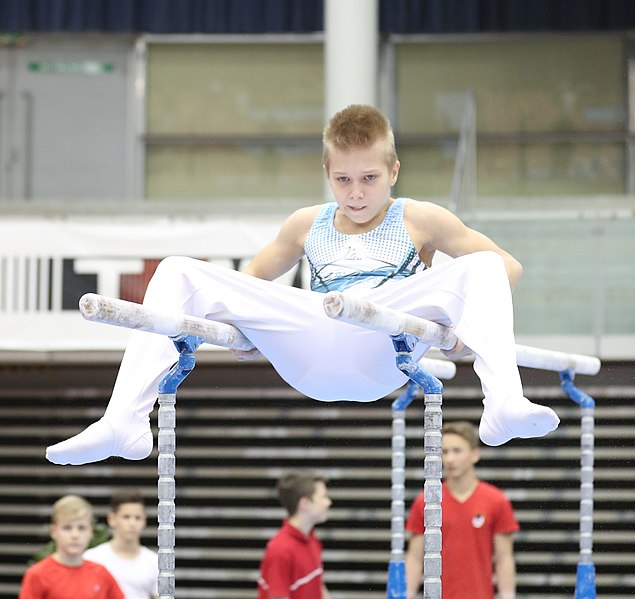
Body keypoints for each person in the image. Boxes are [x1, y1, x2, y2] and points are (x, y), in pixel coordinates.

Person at [45, 103, 559, 466]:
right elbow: (244, 282)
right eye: (343, 179)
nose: (356, 193)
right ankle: (125, 422)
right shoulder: (304, 224)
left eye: (369, 179)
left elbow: (506, 268)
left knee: (484, 267)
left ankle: (503, 406)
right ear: (327, 173)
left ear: (394, 171)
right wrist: (235, 327)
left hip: (383, 346)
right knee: (178, 269)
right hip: (314, 341)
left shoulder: (420, 219)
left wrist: (464, 322)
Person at [405, 421, 519, 599]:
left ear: (475, 454)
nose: (449, 459)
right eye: (444, 452)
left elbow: (504, 559)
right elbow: (414, 558)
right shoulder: (426, 501)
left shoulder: (496, 500)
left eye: (457, 451)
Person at [19, 494, 124, 599]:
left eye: (81, 528)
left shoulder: (102, 574)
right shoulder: (37, 575)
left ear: (91, 532)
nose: (75, 535)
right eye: (67, 528)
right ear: (54, 531)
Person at [257, 471, 332, 599]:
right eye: (323, 497)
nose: (328, 502)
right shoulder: (280, 550)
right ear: (305, 503)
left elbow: (318, 585)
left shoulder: (311, 538)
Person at [83, 491, 159, 599]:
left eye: (137, 518)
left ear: (144, 521)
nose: (132, 523)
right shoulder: (91, 558)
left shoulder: (154, 561)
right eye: (126, 517)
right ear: (112, 519)